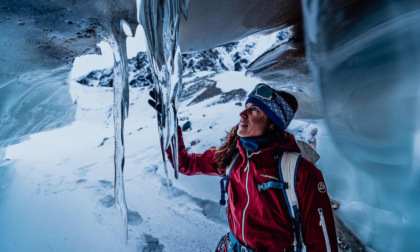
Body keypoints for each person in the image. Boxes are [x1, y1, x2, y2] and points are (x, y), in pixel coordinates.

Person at [149, 83, 338, 252]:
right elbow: (185, 164)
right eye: (246, 106)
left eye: (255, 109)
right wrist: (170, 127)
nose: (242, 113)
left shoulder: (301, 172)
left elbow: (323, 245)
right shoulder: (233, 157)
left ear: (273, 124)